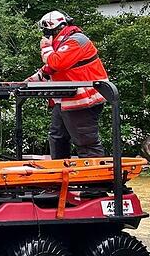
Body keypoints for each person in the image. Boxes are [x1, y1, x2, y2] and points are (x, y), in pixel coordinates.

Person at [24, 10, 109, 159]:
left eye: (46, 32)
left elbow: (56, 62)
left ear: (53, 29)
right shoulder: (63, 44)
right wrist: (28, 82)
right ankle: (60, 177)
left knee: (86, 142)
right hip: (67, 99)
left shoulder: (76, 41)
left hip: (84, 101)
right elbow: (49, 70)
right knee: (57, 138)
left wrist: (45, 47)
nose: (45, 36)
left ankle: (98, 182)